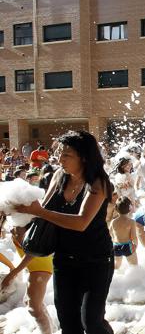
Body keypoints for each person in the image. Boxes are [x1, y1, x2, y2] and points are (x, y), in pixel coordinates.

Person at [15, 130, 115, 334]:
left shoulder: (98, 183)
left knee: (92, 323)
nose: (60, 159)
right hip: (64, 259)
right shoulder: (59, 176)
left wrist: (40, 212)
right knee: (69, 324)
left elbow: (81, 222)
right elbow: (45, 209)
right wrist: (23, 216)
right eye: (60, 153)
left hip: (96, 260)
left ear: (84, 157)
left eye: (67, 154)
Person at [0, 213, 54, 334]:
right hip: (35, 266)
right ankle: (51, 328)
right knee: (31, 303)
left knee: (33, 308)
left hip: (40, 265)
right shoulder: (15, 222)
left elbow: (32, 253)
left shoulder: (21, 224)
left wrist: (12, 273)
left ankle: (48, 332)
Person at [110, 196, 138, 269]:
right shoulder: (131, 222)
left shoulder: (113, 222)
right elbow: (133, 237)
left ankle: (117, 279)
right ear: (130, 208)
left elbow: (110, 234)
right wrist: (136, 245)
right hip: (127, 246)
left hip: (116, 246)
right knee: (134, 266)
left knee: (117, 265)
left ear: (116, 208)